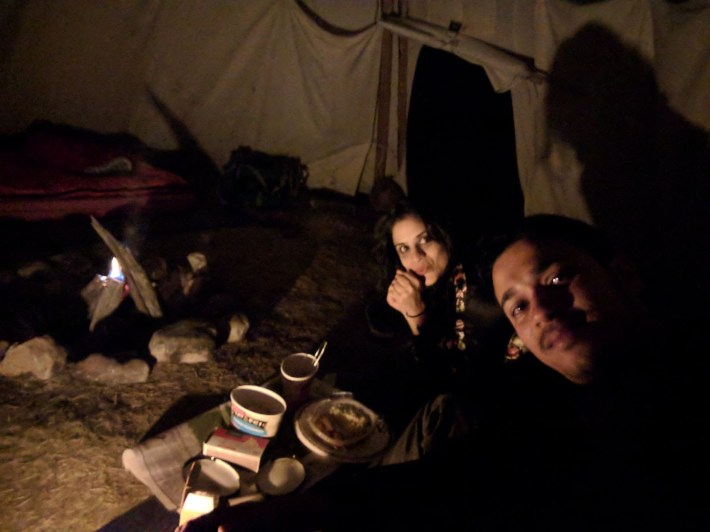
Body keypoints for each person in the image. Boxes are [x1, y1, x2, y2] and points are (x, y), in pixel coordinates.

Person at [177, 214, 709, 531]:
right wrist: (312, 509)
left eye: (555, 279)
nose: (541, 312)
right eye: (520, 306)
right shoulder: (556, 413)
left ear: (622, 274)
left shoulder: (674, 401)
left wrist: (418, 323)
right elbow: (472, 474)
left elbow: (461, 391)